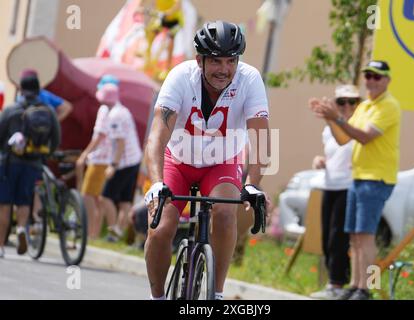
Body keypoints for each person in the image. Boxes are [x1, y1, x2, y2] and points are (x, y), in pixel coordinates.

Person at [143, 20, 271, 300]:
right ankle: (157, 297)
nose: (224, 69)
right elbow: (156, 137)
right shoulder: (180, 77)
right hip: (178, 160)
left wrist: (253, 184)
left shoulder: (249, 79)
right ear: (199, 60)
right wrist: (155, 182)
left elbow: (260, 138)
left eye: (230, 60)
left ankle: (217, 294)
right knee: (161, 229)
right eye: (215, 61)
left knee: (225, 215)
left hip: (222, 162)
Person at [310, 60, 401, 300]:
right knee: (355, 236)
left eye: (377, 76)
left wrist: (336, 118)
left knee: (367, 236)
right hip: (358, 177)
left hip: (376, 178)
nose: (371, 80)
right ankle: (355, 285)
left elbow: (364, 137)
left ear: (387, 80)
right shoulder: (364, 106)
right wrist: (329, 118)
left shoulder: (388, 106)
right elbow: (342, 139)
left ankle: (366, 288)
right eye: (368, 76)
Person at [0, 72, 60, 258]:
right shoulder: (48, 111)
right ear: (38, 88)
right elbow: (56, 139)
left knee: (5, 204)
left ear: (20, 88)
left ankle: (0, 245)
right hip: (33, 164)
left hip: (10, 163)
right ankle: (20, 229)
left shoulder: (11, 110)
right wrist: (44, 156)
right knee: (24, 201)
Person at [308, 85, 360, 299]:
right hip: (330, 184)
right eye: (341, 102)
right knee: (326, 238)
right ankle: (334, 284)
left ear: (358, 103)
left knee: (338, 238)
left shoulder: (358, 125)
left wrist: (333, 118)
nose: (346, 106)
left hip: (349, 185)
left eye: (352, 101)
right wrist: (321, 161)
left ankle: (338, 284)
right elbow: (336, 154)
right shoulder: (329, 128)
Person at [76, 76, 118, 239]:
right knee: (98, 199)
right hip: (107, 160)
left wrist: (85, 154)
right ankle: (93, 234)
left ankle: (88, 233)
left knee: (87, 196)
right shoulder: (116, 110)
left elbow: (99, 135)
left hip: (99, 159)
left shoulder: (104, 110)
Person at [100, 83, 143, 242]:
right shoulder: (123, 111)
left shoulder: (114, 116)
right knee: (125, 200)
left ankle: (113, 231)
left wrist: (113, 165)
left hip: (124, 161)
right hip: (134, 159)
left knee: (105, 196)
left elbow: (120, 143)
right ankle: (118, 230)